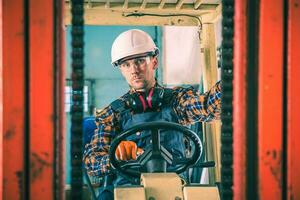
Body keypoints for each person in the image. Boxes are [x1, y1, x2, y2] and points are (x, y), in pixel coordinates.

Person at [83, 29, 222, 200]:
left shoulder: (177, 101)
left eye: (140, 61)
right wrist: (115, 157)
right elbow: (92, 162)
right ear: (121, 70)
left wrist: (232, 78)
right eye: (126, 64)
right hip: (128, 190)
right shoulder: (112, 113)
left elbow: (209, 106)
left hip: (176, 190)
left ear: (154, 62)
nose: (134, 70)